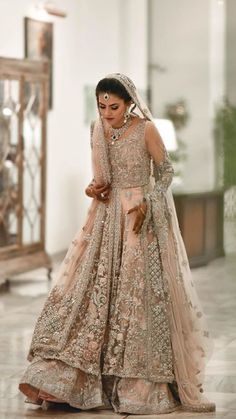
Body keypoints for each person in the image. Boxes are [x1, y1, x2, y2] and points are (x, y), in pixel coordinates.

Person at [19, 73, 215, 415]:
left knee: (135, 296)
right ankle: (74, 380)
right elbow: (101, 181)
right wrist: (91, 189)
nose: (107, 113)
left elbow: (165, 172)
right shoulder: (98, 130)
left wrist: (147, 203)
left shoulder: (146, 130)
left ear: (129, 103)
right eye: (101, 106)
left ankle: (135, 381)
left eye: (113, 106)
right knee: (87, 292)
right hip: (106, 218)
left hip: (139, 217)